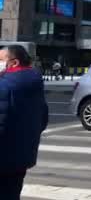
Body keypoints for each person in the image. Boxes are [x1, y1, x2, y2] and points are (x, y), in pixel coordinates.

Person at [0, 45, 48, 200]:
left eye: (0, 60)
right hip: (21, 157)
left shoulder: (4, 86)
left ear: (13, 63)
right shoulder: (35, 83)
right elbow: (43, 119)